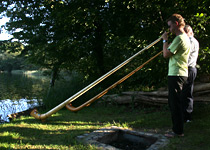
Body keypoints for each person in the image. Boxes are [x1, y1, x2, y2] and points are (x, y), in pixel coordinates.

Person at [162, 14, 191, 138]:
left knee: (175, 103)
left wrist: (164, 40)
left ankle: (178, 131)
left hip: (176, 74)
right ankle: (177, 129)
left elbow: (166, 54)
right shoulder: (184, 38)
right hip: (181, 73)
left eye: (169, 26)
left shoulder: (179, 38)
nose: (169, 29)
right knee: (176, 102)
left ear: (176, 24)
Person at [182, 25, 199, 122]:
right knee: (186, 92)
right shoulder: (190, 41)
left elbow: (185, 55)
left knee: (187, 93)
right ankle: (184, 115)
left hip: (189, 68)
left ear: (189, 32)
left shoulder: (191, 41)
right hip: (188, 69)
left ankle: (187, 116)